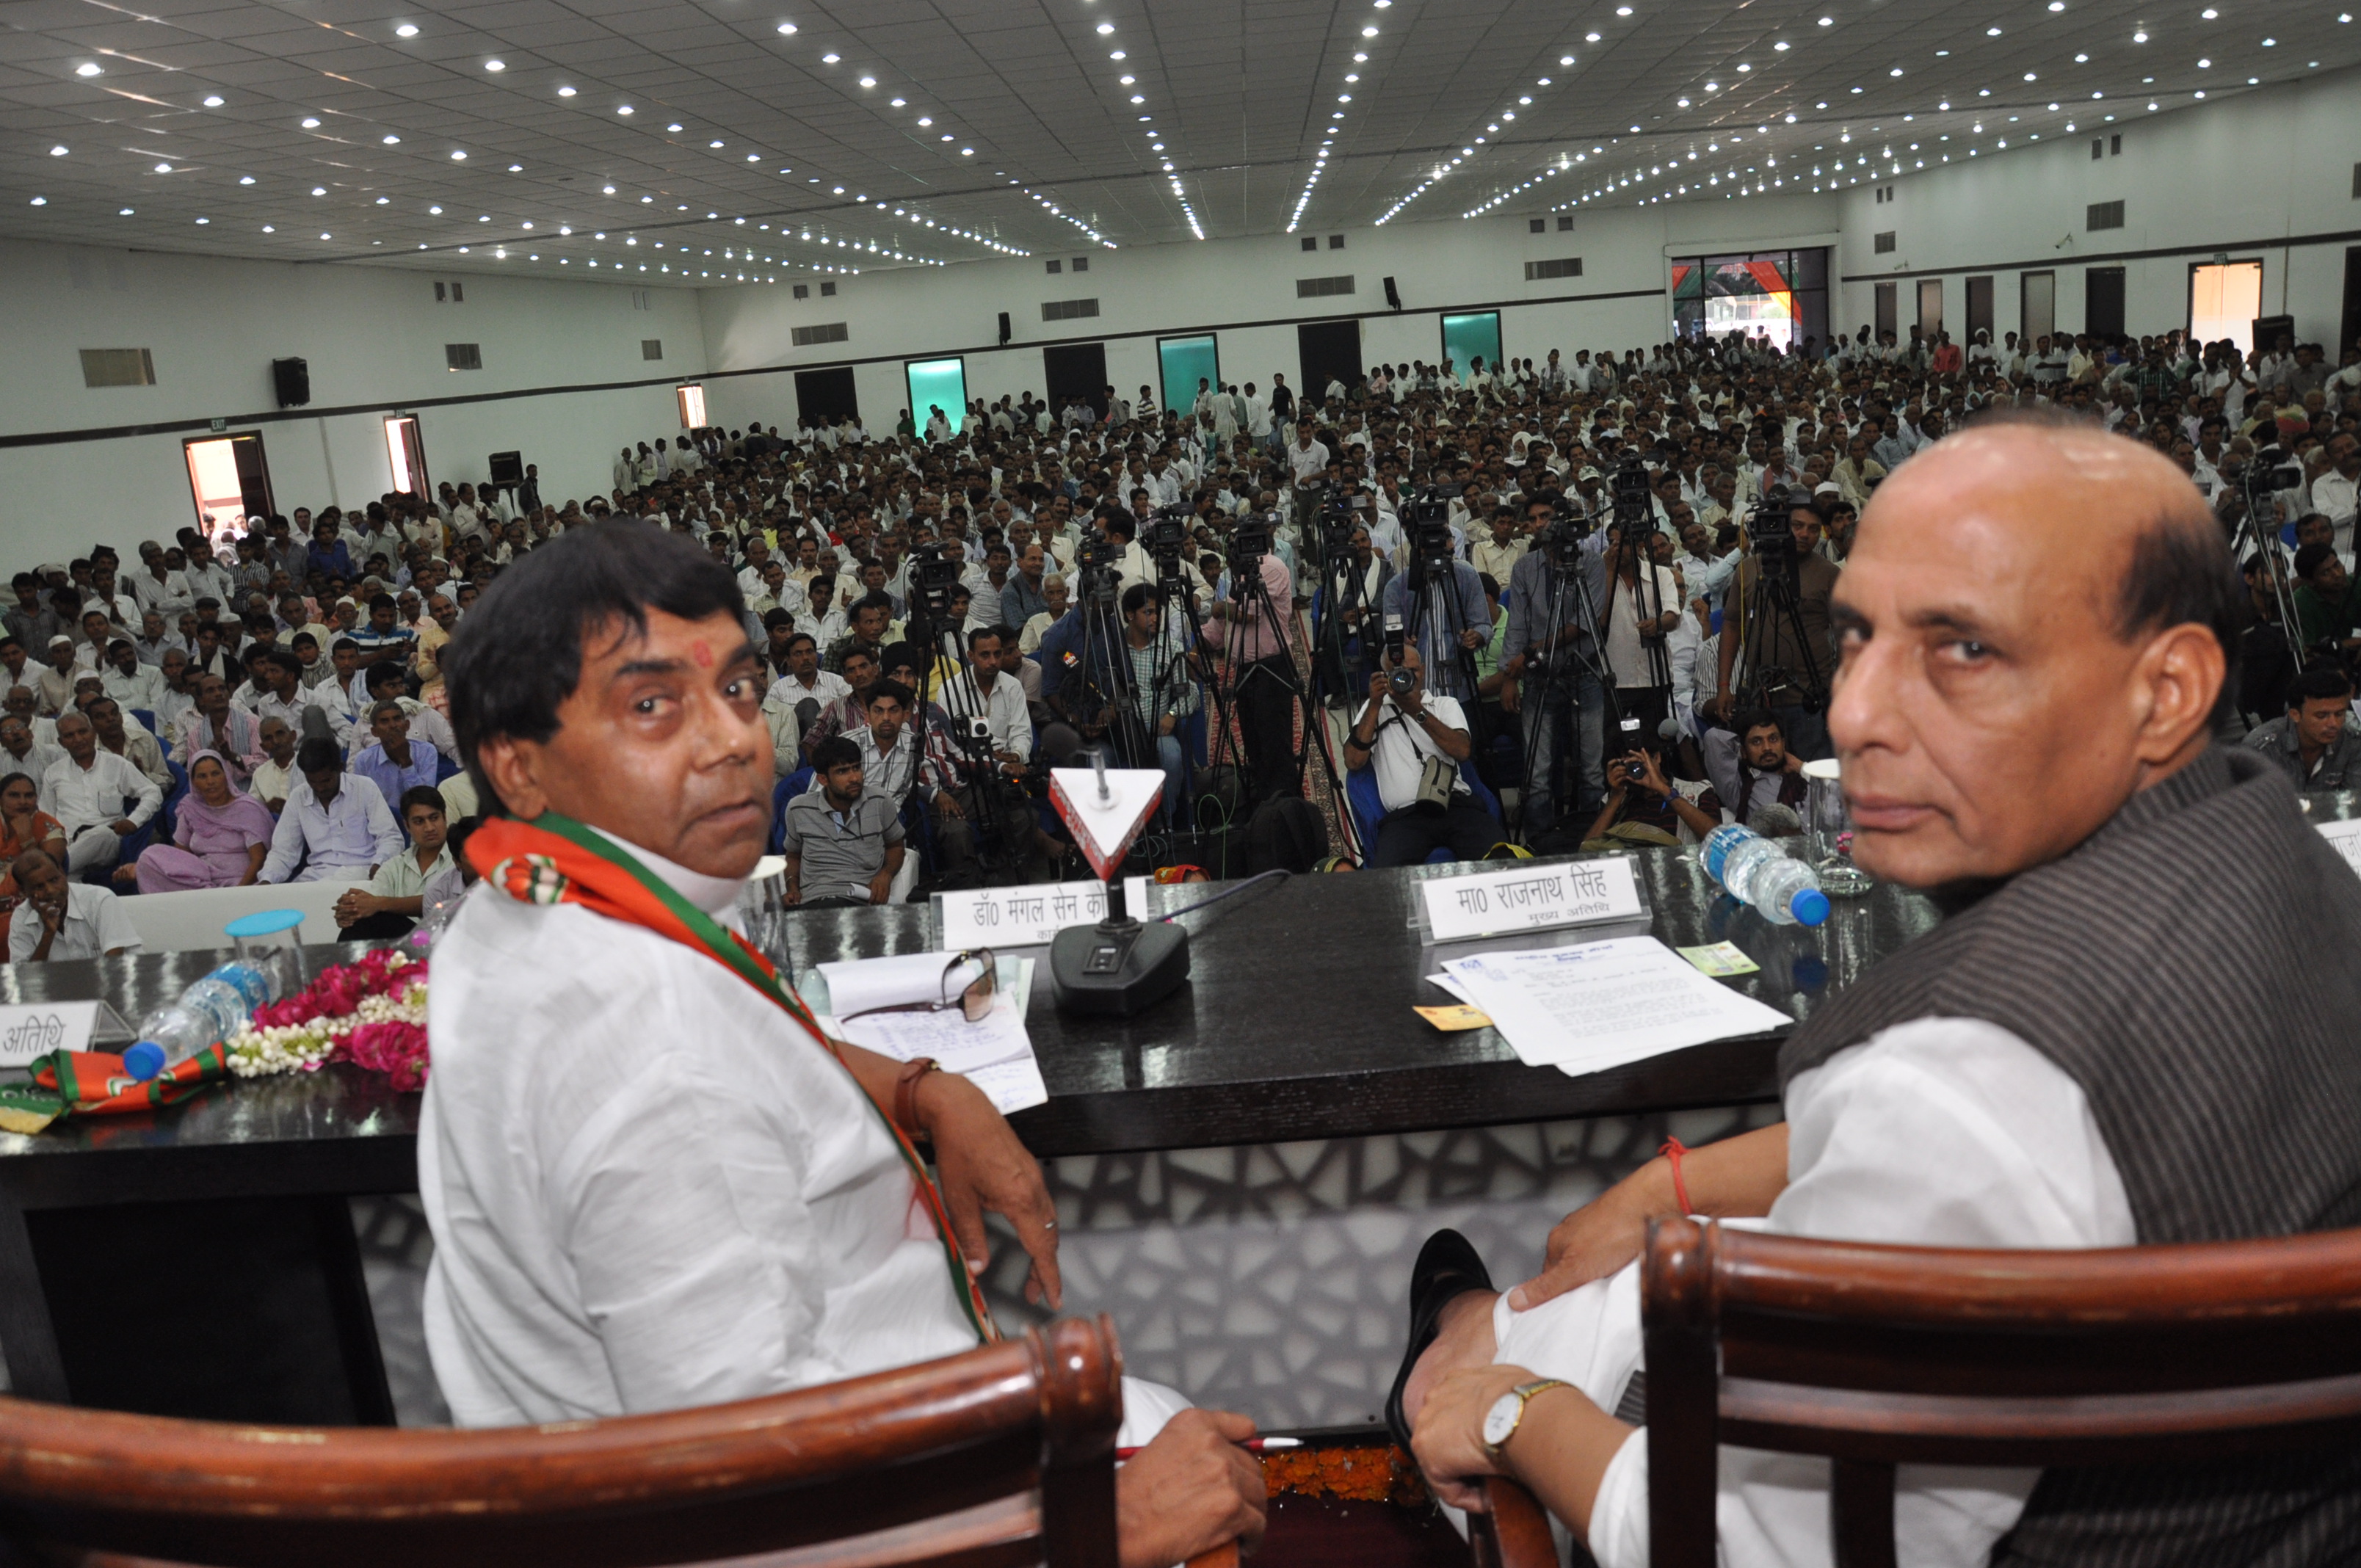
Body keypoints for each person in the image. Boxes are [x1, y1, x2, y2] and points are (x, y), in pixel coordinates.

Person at [1393, 413, 2361, 1567]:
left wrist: (1508, 1416)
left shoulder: (1961, 1087)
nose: (1852, 715)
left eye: (1961, 650)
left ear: (2169, 688)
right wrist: (1675, 1182)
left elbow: (1734, 1543)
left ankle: (1445, 1354)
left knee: (1462, 1375)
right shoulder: (2283, 850)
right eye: (1855, 639)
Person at [424, 523, 1266, 1568]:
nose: (732, 739)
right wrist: (1103, 1531)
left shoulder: (546, 895)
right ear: (520, 766)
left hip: (810, 1428)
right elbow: (756, 1506)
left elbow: (753, 1031)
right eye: (652, 708)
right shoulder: (648, 1059)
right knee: (1196, 1459)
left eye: (736, 689)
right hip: (832, 1503)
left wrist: (917, 1089)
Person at [1345, 639, 1497, 865]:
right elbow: (1354, 762)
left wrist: (1415, 709)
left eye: (1413, 670)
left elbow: (1462, 751)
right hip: (1406, 817)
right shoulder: (1375, 710)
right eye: (1398, 673)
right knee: (1385, 879)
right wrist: (1375, 705)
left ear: (1423, 671)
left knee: (1502, 862)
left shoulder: (1445, 704)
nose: (1408, 678)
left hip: (1456, 806)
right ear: (1384, 676)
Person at [780, 735, 906, 908]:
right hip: (814, 903)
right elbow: (793, 856)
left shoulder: (880, 801)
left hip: (862, 902)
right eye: (843, 771)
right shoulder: (799, 808)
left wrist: (886, 875)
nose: (854, 778)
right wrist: (792, 888)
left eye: (856, 768)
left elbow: (896, 846)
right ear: (823, 779)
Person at [259, 738, 403, 883]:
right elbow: (283, 851)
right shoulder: (298, 797)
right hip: (316, 878)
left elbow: (390, 838)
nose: (320, 788)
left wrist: (379, 865)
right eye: (313, 782)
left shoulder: (365, 788)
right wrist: (267, 880)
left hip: (363, 874)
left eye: (326, 781)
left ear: (340, 768)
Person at [131, 750, 275, 893]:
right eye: (202, 776)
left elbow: (259, 859)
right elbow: (180, 857)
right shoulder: (190, 808)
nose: (210, 781)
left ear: (226, 775)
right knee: (149, 857)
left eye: (215, 774)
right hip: (200, 883)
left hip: (240, 883)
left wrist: (237, 893)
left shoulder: (246, 808)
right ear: (193, 782)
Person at [43, 709, 162, 876]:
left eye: (82, 732)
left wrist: (133, 821)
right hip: (68, 844)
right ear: (61, 743)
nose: (78, 739)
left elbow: (153, 792)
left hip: (107, 842)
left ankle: (46, 872)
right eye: (69, 736)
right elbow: (46, 815)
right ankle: (57, 872)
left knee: (100, 834)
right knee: (69, 881)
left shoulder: (117, 764)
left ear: (93, 733)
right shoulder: (53, 772)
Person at [336, 786, 464, 940]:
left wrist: (380, 903)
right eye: (419, 822)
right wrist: (352, 910)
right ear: (407, 826)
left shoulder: (460, 860)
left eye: (434, 818)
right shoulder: (393, 867)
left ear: (445, 817)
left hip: (446, 938)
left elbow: (445, 902)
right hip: (401, 941)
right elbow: (372, 905)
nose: (429, 828)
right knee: (364, 920)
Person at [7, 848, 139, 962]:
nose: (51, 890)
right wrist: (48, 934)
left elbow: (114, 964)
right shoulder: (21, 917)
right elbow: (24, 978)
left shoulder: (99, 899)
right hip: (60, 989)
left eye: (54, 880)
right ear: (24, 892)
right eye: (39, 886)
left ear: (63, 874)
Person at [2241, 664, 2359, 788]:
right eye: (2321, 716)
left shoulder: (2352, 742)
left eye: (2340, 714)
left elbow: (2356, 800)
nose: (2333, 724)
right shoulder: (2262, 748)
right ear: (2295, 715)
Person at [1700, 708, 1810, 826]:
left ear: (1783, 744)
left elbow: (1831, 791)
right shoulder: (1740, 792)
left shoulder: (1807, 778)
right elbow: (1713, 738)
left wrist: (1801, 767)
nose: (1767, 747)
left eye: (1773, 739)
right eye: (1756, 742)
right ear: (1744, 752)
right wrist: (1743, 752)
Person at [349, 700, 443, 823]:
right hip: (382, 824)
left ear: (407, 725)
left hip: (420, 821)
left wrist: (406, 761)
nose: (393, 726)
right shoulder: (364, 760)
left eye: (397, 719)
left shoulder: (426, 751)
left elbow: (424, 801)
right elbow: (363, 805)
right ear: (375, 732)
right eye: (384, 721)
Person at [0, 772, 66, 915]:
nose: (23, 802)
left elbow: (45, 876)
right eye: (14, 795)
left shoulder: (49, 827)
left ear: (36, 799)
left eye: (29, 796)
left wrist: (27, 839)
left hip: (29, 903)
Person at [251, 715, 299, 813]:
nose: (276, 741)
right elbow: (252, 810)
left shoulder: (308, 764)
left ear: (292, 736)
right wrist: (266, 807)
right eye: (268, 738)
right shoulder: (260, 774)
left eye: (280, 734)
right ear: (263, 747)